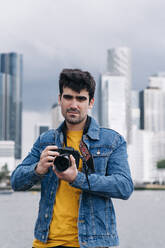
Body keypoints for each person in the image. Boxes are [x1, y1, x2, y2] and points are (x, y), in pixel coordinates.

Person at [11, 68, 133, 248]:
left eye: (81, 98)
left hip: (91, 243)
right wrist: (38, 169)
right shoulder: (46, 140)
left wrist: (78, 178)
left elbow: (124, 187)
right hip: (45, 242)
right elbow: (16, 182)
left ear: (91, 102)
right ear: (60, 99)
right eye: (68, 97)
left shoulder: (112, 140)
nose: (74, 104)